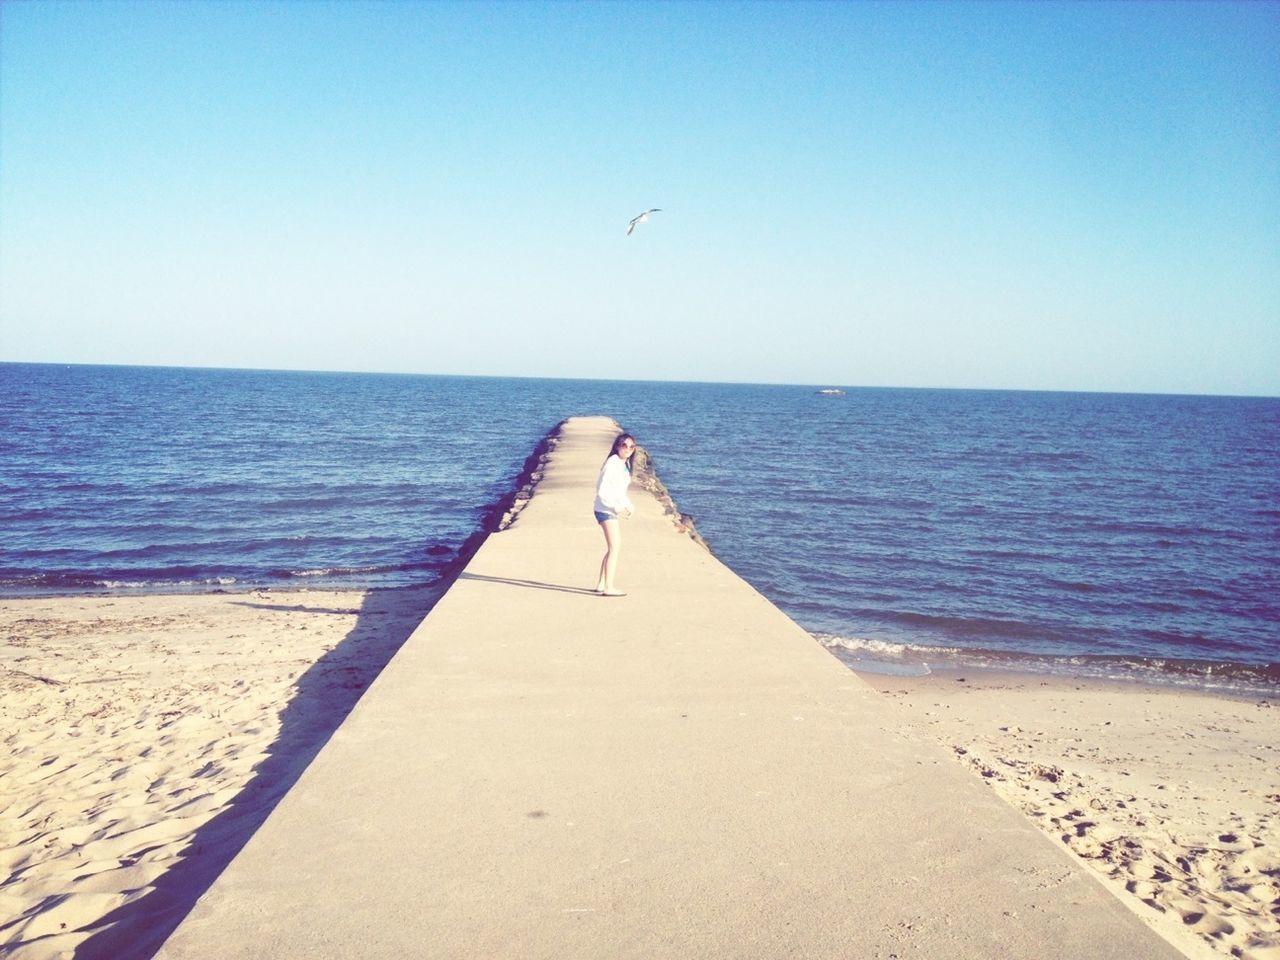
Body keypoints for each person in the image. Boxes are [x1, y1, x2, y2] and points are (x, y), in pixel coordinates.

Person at [593, 433, 636, 596]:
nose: (628, 449)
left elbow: (620, 491)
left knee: (612, 548)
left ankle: (601, 584)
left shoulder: (624, 465)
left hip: (610, 509)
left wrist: (629, 505)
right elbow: (602, 490)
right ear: (617, 446)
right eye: (624, 446)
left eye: (632, 447)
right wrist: (616, 506)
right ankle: (609, 588)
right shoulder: (612, 463)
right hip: (605, 509)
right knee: (615, 548)